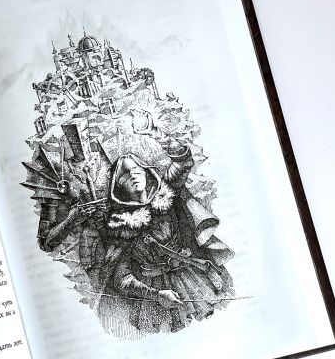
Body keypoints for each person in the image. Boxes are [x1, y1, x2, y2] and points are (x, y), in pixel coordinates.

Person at [96, 135, 234, 333]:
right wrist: (156, 294)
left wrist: (164, 138)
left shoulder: (166, 192)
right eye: (125, 175)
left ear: (146, 172)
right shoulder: (121, 226)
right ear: (118, 186)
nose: (133, 176)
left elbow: (183, 164)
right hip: (154, 289)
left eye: (136, 170)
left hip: (191, 274)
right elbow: (121, 278)